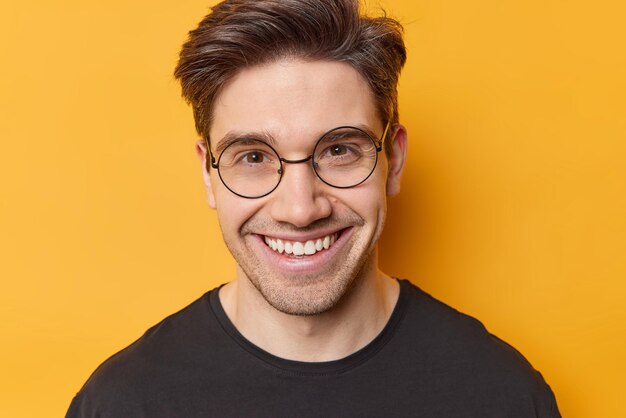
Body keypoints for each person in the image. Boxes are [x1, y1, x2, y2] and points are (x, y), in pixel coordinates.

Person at [67, 0, 560, 416]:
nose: (300, 209)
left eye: (339, 150)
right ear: (208, 174)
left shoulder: (503, 396)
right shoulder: (122, 403)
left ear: (394, 159)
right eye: (254, 157)